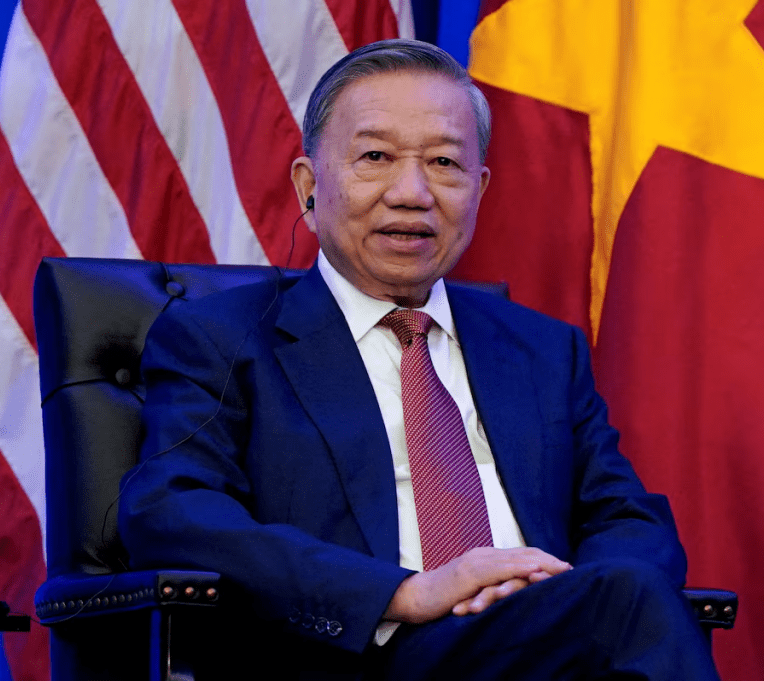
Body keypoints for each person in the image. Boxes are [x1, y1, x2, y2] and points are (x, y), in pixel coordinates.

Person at [119, 39, 720, 680]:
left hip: (541, 647)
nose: (412, 193)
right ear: (308, 187)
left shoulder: (543, 351)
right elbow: (172, 511)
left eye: (444, 163)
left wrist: (560, 593)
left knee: (630, 591)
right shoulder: (222, 340)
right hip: (356, 657)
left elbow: (629, 519)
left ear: (478, 189)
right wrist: (404, 593)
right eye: (376, 157)